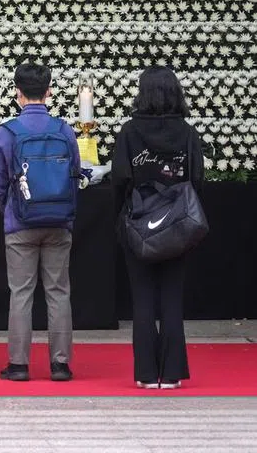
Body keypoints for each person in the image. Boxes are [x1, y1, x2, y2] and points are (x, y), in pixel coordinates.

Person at [112, 66, 204, 390]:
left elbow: (120, 178)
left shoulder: (129, 132)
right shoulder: (188, 134)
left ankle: (146, 373)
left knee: (143, 299)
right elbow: (197, 180)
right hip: (178, 225)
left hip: (139, 224)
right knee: (172, 298)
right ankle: (173, 372)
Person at [0, 62, 80, 382]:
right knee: (58, 291)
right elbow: (75, 175)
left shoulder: (6, 133)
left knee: (21, 293)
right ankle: (60, 364)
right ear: (49, 91)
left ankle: (18, 364)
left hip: (20, 222)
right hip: (58, 221)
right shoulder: (64, 130)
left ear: (17, 93)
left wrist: (12, 209)